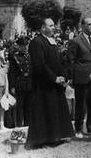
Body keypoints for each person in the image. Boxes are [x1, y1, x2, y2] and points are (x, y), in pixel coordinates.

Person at [27, 17, 74, 149]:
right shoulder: (36, 42)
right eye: (51, 25)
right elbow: (40, 64)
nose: (54, 28)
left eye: (54, 25)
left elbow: (59, 61)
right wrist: (54, 78)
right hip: (43, 84)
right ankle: (43, 139)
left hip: (56, 83)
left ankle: (56, 136)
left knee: (55, 110)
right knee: (44, 110)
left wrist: (63, 77)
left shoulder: (52, 42)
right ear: (43, 28)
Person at [68, 17, 91, 138]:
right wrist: (71, 78)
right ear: (83, 26)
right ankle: (78, 129)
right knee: (81, 105)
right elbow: (70, 60)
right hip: (81, 77)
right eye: (89, 24)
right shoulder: (76, 41)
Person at [9, 36, 32, 127]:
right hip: (20, 84)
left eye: (26, 45)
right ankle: (19, 126)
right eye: (23, 46)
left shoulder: (29, 56)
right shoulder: (15, 57)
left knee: (28, 106)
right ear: (19, 46)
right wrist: (12, 86)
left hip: (28, 84)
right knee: (20, 107)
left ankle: (27, 125)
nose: (25, 47)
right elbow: (12, 73)